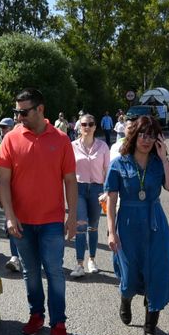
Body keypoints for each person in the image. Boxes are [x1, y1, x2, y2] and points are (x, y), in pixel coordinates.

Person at [0, 88, 78, 335]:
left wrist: (72, 215)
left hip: (52, 221)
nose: (19, 116)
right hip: (22, 222)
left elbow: (69, 180)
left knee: (54, 272)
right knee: (30, 273)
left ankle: (58, 324)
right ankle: (36, 315)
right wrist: (9, 217)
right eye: (17, 112)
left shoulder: (62, 139)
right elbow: (3, 182)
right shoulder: (11, 139)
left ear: (40, 109)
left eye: (24, 111)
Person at [104, 116, 169, 335]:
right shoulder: (119, 163)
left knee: (157, 273)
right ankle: (125, 299)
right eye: (143, 134)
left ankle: (149, 331)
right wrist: (111, 232)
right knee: (129, 275)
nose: (147, 140)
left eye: (152, 135)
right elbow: (111, 199)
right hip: (128, 223)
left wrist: (165, 158)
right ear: (133, 135)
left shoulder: (158, 163)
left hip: (155, 223)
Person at [69, 114, 111, 278]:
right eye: (84, 124)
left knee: (93, 226)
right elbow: (68, 171)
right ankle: (79, 264)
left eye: (90, 124)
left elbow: (108, 170)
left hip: (97, 189)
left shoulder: (103, 146)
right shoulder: (72, 146)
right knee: (80, 226)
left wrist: (107, 191)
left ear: (95, 127)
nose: (87, 127)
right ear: (80, 126)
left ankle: (92, 260)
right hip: (78, 189)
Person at [0, 115, 24, 273]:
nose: (3, 129)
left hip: (25, 192)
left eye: (5, 127)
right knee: (12, 223)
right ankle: (15, 257)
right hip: (8, 189)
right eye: (1, 127)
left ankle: (25, 257)